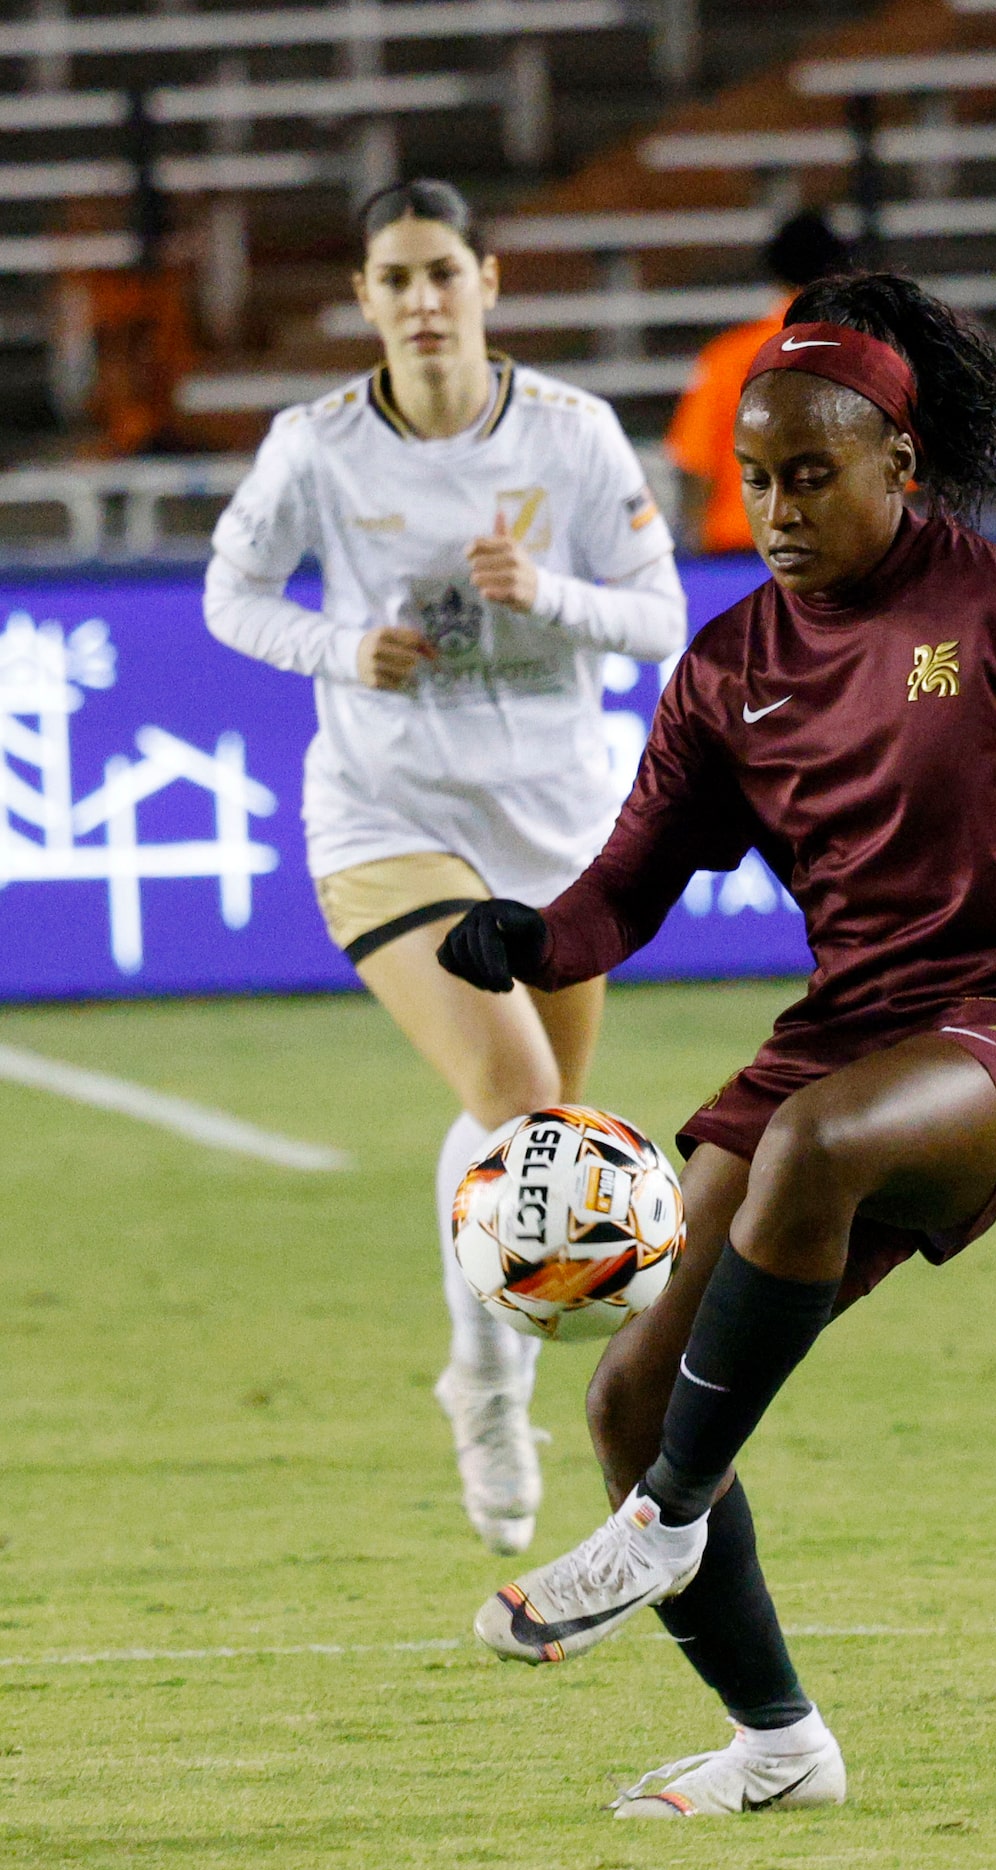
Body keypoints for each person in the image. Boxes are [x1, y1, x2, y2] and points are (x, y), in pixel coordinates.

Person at [438, 273, 996, 1816]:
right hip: (855, 1027)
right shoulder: (729, 664)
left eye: (811, 472)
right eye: (756, 477)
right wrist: (531, 939)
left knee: (807, 1157)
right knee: (624, 1395)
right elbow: (630, 882)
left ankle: (667, 1519)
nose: (775, 506)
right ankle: (778, 1743)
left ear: (900, 459)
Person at [203, 179, 686, 1556]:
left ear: (489, 281)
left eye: (441, 275)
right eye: (394, 280)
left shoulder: (571, 434)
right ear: (365, 299)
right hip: (381, 810)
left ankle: (484, 1365)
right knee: (520, 1093)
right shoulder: (318, 446)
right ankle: (486, 1390)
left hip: (555, 827)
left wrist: (547, 596)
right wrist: (341, 649)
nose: (421, 302)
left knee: (532, 1134)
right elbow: (231, 596)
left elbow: (660, 618)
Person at [665, 208, 852, 555]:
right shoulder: (862, 358)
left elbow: (696, 466)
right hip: (833, 554)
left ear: (774, 270)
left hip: (739, 549)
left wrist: (695, 555)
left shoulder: (724, 357)